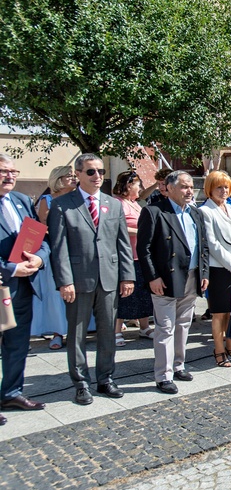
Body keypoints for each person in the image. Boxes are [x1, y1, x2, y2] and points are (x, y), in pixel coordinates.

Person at [48, 153, 135, 405]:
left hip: (109, 279)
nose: (97, 176)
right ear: (78, 174)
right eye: (91, 172)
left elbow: (122, 244)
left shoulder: (112, 204)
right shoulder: (62, 205)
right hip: (78, 281)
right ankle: (81, 383)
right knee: (77, 334)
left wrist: (127, 276)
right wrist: (65, 281)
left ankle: (105, 378)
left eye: (101, 171)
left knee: (108, 331)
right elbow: (59, 247)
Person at [136, 171, 209, 394]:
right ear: (169, 188)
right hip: (166, 279)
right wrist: (153, 277)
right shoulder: (154, 211)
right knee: (165, 328)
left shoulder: (195, 213)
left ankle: (179, 365)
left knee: (183, 324)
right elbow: (144, 249)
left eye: (191, 187)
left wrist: (204, 273)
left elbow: (203, 245)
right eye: (184, 187)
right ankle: (163, 375)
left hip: (192, 275)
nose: (189, 191)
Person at [0, 155, 50, 423]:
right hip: (3, 282)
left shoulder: (21, 200)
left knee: (17, 343)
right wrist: (10, 269)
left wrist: (39, 258)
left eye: (13, 171)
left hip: (22, 286)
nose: (10, 176)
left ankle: (11, 393)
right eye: (3, 171)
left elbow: (41, 238)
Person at [198, 171, 231, 368]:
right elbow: (212, 244)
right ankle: (219, 350)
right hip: (220, 268)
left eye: (226, 187)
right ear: (210, 189)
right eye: (219, 187)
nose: (224, 191)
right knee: (219, 313)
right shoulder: (206, 211)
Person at [32, 165, 77, 349]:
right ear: (58, 179)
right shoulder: (47, 200)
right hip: (55, 251)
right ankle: (58, 332)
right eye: (69, 176)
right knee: (56, 293)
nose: (74, 178)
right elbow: (43, 228)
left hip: (76, 251)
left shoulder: (78, 198)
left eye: (75, 175)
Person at [112, 171, 154, 346]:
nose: (141, 188)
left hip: (140, 255)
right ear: (129, 185)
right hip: (127, 256)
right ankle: (116, 331)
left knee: (142, 293)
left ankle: (144, 327)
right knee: (124, 294)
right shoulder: (117, 203)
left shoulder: (136, 204)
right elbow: (117, 227)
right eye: (138, 185)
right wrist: (141, 232)